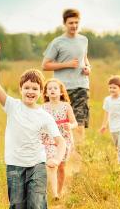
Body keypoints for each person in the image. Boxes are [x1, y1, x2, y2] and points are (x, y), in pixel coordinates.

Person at [0, 44, 67, 209]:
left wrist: (57, 159)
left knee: (36, 204)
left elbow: (61, 142)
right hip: (14, 165)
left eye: (35, 88)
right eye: (27, 88)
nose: (30, 91)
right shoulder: (12, 105)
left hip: (37, 165)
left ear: (41, 91)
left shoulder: (45, 116)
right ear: (20, 89)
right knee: (17, 205)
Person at [42, 9, 91, 145]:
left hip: (82, 87)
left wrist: (88, 68)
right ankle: (64, 155)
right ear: (65, 23)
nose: (74, 26)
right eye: (71, 23)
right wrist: (67, 64)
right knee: (62, 125)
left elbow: (85, 59)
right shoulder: (57, 42)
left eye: (76, 22)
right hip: (62, 89)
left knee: (80, 124)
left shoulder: (84, 40)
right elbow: (45, 65)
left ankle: (80, 161)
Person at [40, 78, 77, 200]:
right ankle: (53, 192)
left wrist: (70, 126)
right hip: (48, 139)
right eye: (49, 88)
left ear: (61, 92)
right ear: (45, 93)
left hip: (64, 138)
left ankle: (59, 193)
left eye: (55, 88)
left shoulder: (66, 106)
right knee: (51, 164)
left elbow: (74, 122)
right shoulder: (42, 107)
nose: (52, 90)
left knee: (61, 166)